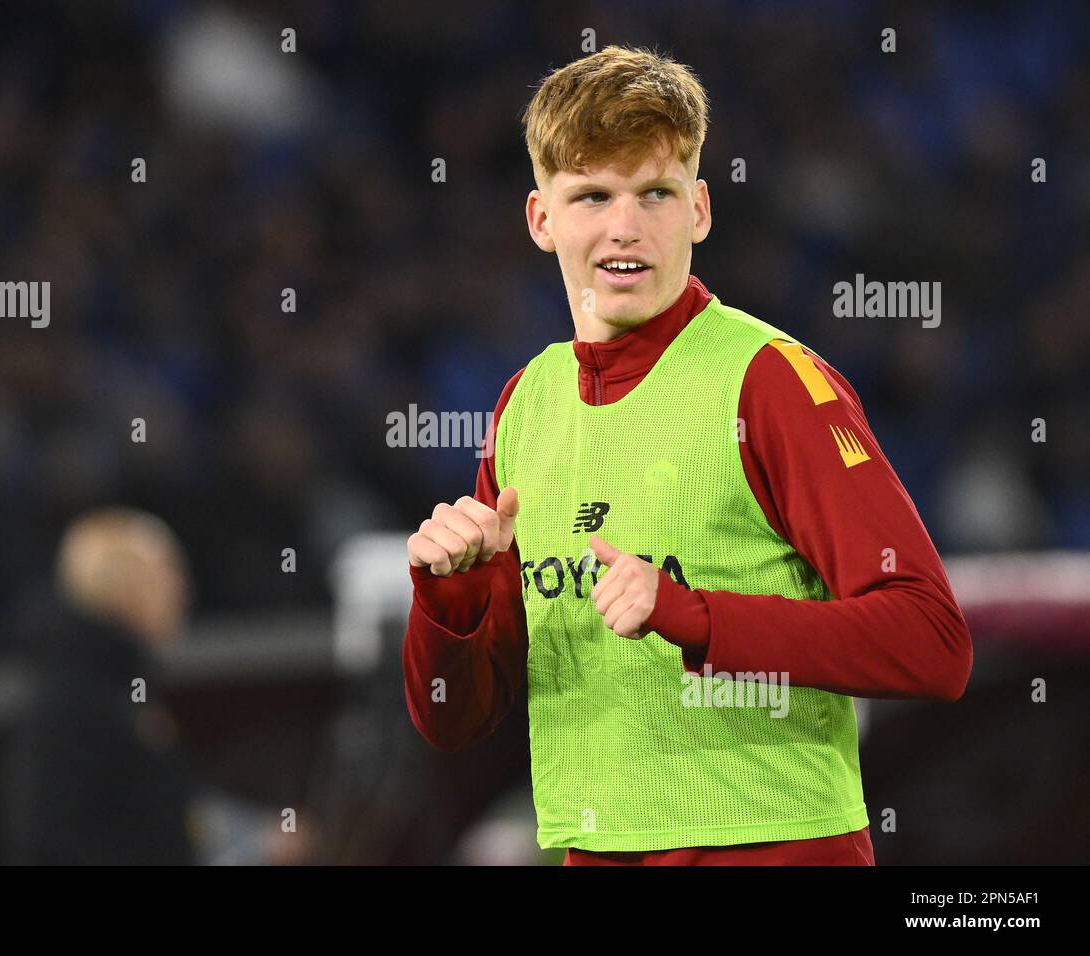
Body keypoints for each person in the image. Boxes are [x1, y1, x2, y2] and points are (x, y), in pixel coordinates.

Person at [401, 45, 972, 866]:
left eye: (655, 194)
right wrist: (449, 605)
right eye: (592, 195)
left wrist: (693, 616)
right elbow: (453, 722)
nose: (625, 227)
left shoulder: (769, 382)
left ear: (700, 210)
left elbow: (933, 642)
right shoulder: (525, 405)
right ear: (541, 219)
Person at [0, 507, 197, 864]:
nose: (181, 587)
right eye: (164, 571)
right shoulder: (73, 698)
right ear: (121, 585)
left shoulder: (119, 686)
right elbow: (51, 843)